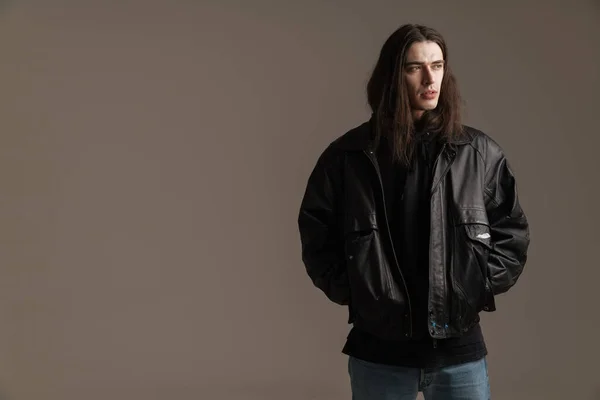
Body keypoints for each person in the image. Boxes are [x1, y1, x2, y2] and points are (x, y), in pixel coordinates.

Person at [297, 23, 530, 399]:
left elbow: (512, 234)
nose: (429, 78)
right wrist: (361, 293)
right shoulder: (347, 157)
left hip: (459, 355)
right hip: (379, 354)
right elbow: (317, 234)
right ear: (392, 76)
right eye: (414, 67)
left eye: (437, 66)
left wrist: (474, 289)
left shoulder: (480, 154)